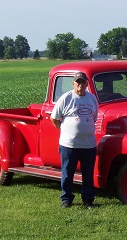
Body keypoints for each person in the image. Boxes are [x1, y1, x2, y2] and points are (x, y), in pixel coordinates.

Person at [50, 72, 99, 209]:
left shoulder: (92, 99)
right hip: (69, 144)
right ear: (73, 83)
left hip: (88, 144)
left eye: (83, 82)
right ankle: (66, 199)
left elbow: (94, 117)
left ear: (87, 84)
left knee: (88, 174)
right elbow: (54, 117)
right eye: (78, 82)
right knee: (67, 173)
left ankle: (88, 199)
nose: (80, 85)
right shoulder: (66, 98)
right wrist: (64, 130)